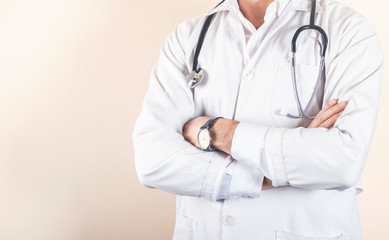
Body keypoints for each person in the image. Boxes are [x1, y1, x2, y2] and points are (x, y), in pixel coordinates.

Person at [132, 0, 383, 239]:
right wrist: (274, 174)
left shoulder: (349, 31)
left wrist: (218, 131)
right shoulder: (189, 36)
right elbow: (153, 161)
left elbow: (340, 160)